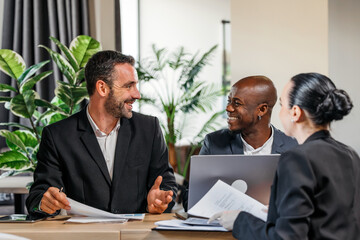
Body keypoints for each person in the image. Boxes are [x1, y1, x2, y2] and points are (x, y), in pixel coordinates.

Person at [26, 50, 177, 216]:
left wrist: (158, 201)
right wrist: (45, 203)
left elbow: (166, 183)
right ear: (102, 88)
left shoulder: (149, 128)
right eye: (128, 86)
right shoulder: (57, 136)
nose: (137, 94)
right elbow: (37, 197)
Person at [210, 73, 360, 239]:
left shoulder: (297, 158)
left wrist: (240, 221)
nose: (279, 113)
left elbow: (286, 237)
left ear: (295, 112)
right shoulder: (350, 154)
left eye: (282, 105)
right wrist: (279, 212)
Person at [199, 76, 297, 156]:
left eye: (237, 103)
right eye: (229, 101)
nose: (228, 108)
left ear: (262, 109)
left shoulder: (294, 147)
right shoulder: (214, 144)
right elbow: (200, 180)